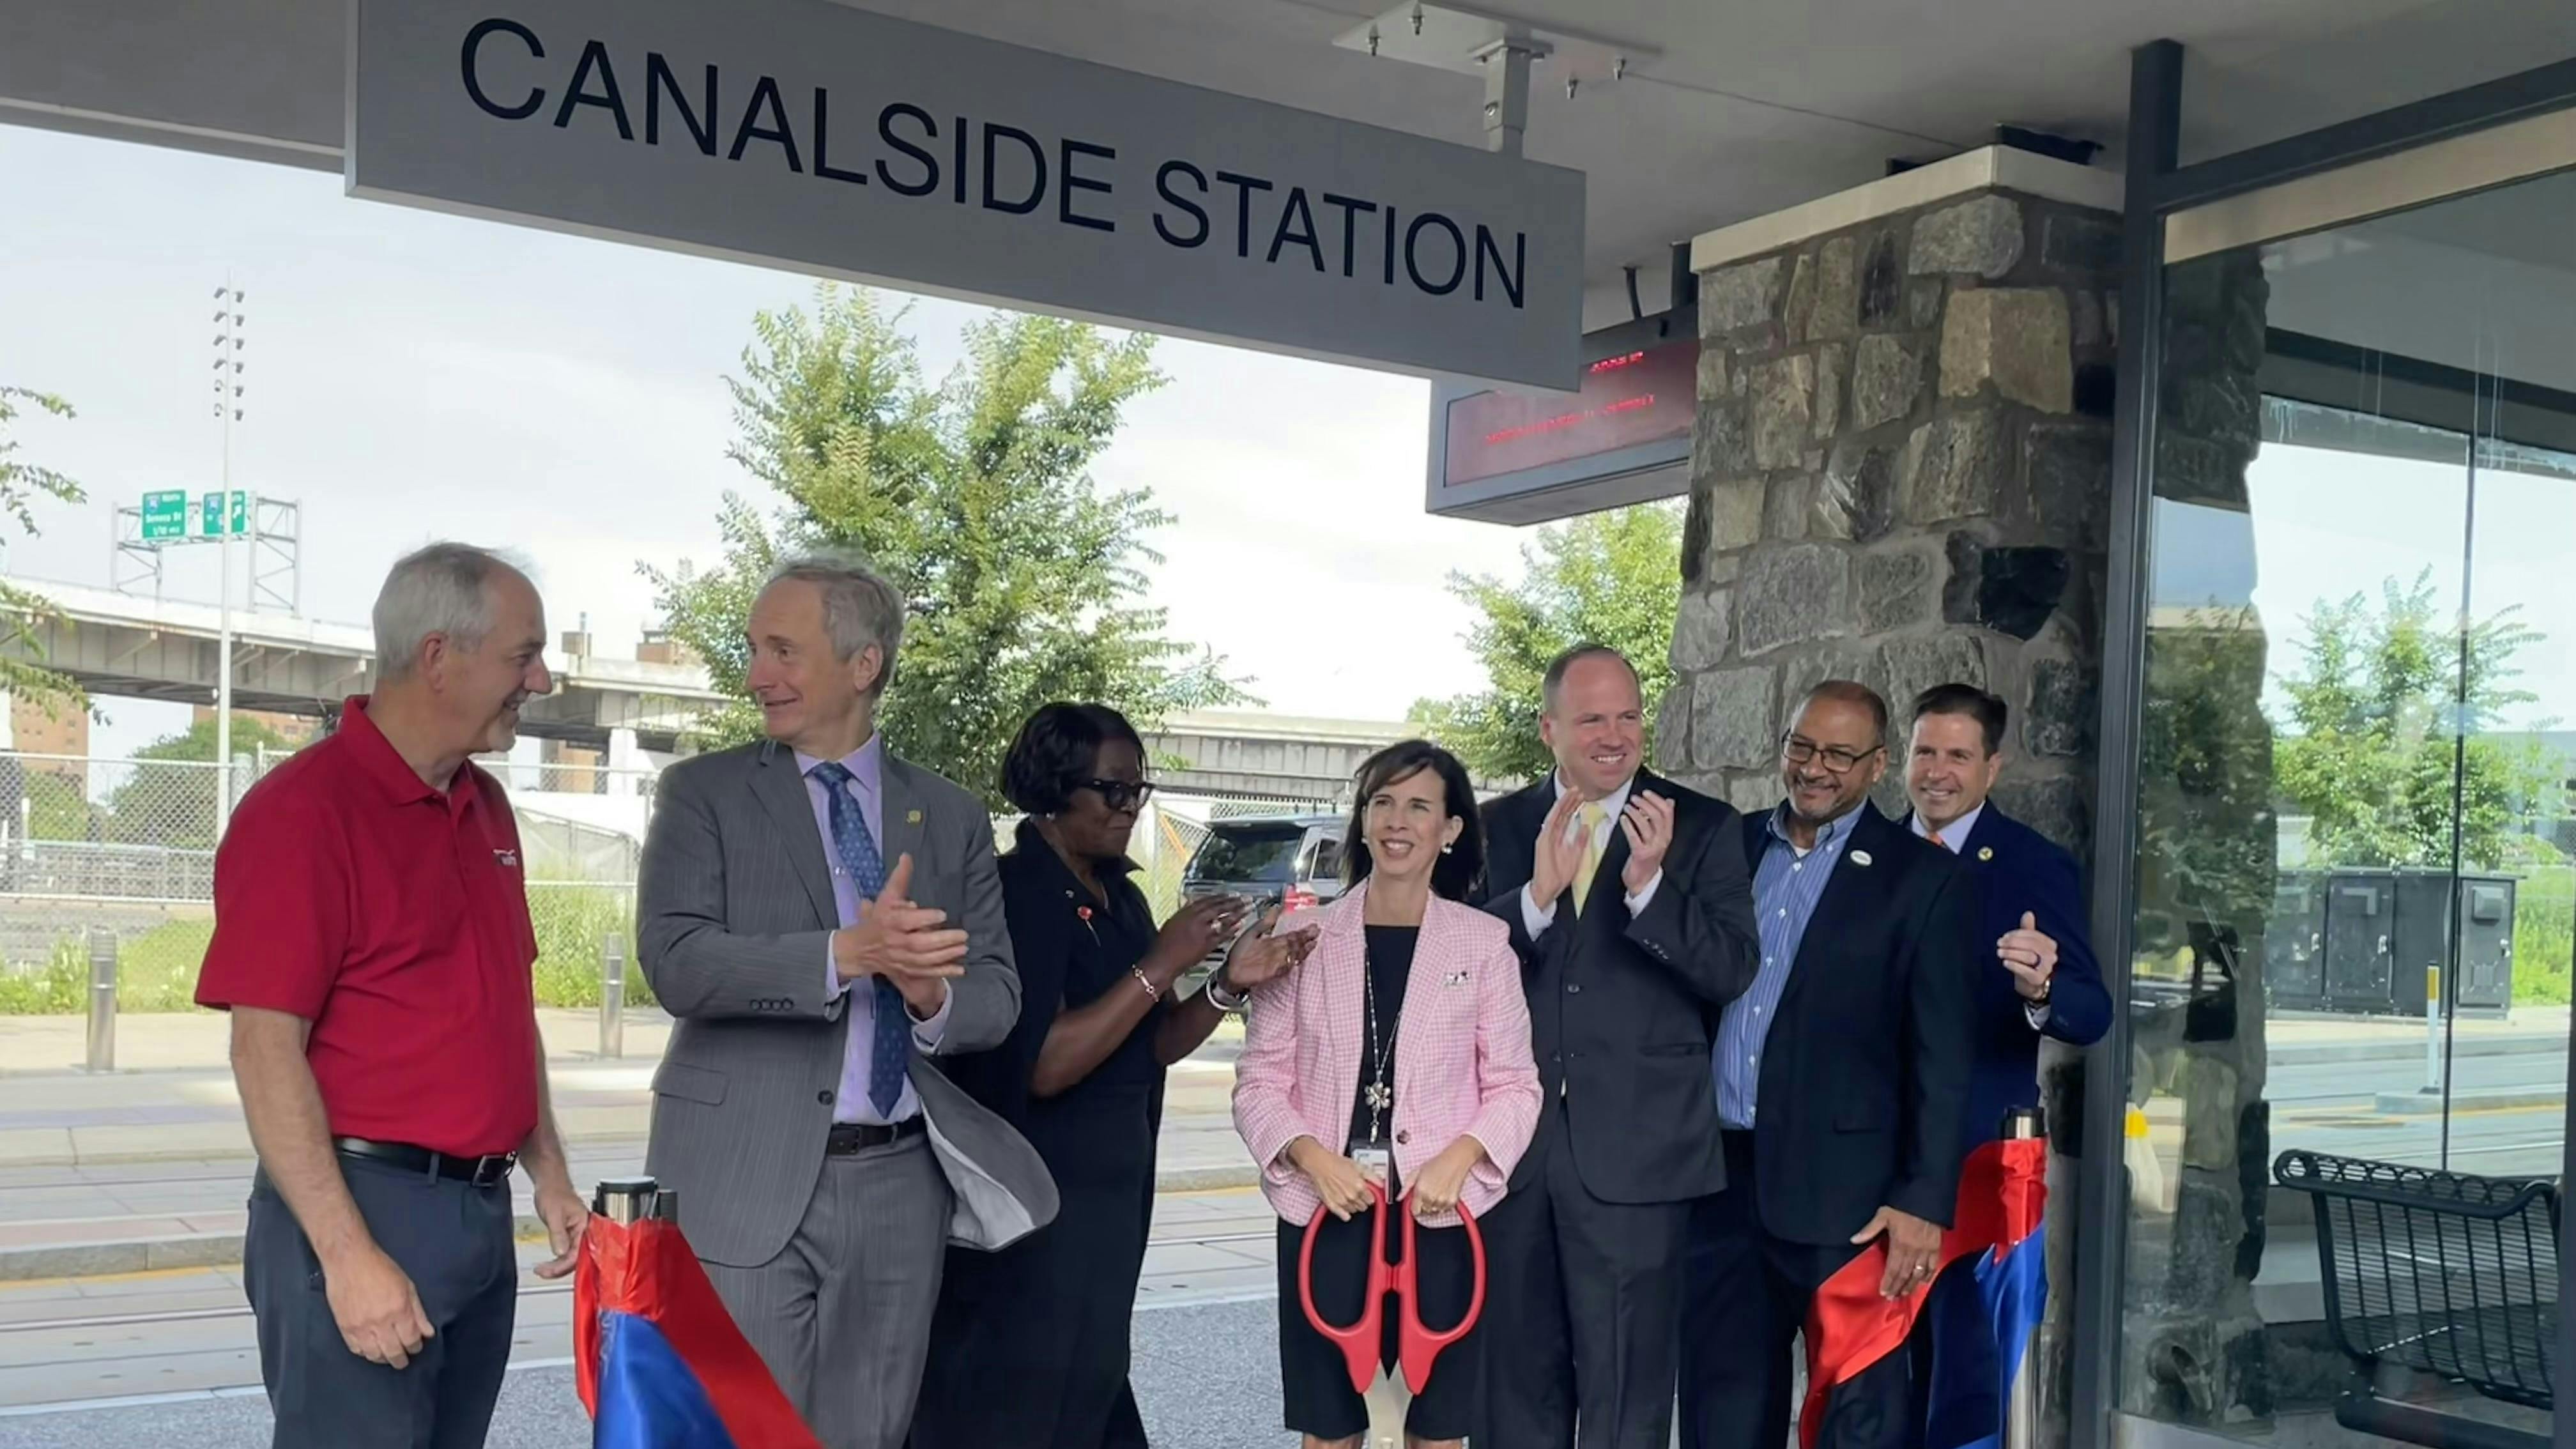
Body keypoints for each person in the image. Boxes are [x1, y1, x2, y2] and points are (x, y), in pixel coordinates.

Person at [636, 551, 1052, 1449]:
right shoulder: (701, 794)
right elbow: (676, 962)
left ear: (864, 666)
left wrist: (928, 989)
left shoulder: (947, 815)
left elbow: (998, 999)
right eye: (754, 649)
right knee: (743, 1434)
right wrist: (843, 955)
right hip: (737, 1173)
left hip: (900, 1184)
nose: (757, 676)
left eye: (782, 651)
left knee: (868, 1435)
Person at [195, 542, 588, 1449]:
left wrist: (550, 1173)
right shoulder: (304, 813)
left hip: (477, 1218)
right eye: (523, 655)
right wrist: (346, 1255)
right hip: (362, 1208)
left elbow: (502, 1013)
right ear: (439, 657)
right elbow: (264, 1052)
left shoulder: (485, 807)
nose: (542, 677)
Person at [911, 702, 1319, 1449]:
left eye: (1140, 789)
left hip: (1109, 1206)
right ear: (1055, 788)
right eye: (1114, 791)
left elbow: (1154, 1042)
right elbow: (1044, 1064)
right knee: (1022, 1408)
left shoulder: (1121, 896)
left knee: (1091, 1386)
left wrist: (1228, 983)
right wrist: (1161, 960)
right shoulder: (1016, 896)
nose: (1132, 808)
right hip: (1034, 1219)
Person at [1677, 680, 1979, 1449]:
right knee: (1722, 1408)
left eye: (1840, 755)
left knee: (1860, 1417)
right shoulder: (1729, 846)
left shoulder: (1924, 880)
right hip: (1718, 1182)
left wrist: (1924, 1200)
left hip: (1851, 1200)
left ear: (1877, 765)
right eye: (1802, 747)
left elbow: (1941, 1057)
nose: (1816, 768)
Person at [1476, 644, 1760, 1449]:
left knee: (1628, 1391)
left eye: (1628, 715)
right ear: (1549, 729)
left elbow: (1732, 968)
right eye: (1593, 717)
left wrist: (1648, 887)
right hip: (1510, 1152)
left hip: (1640, 1157)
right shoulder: (1498, 827)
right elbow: (1453, 965)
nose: (1614, 734)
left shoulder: (1701, 827)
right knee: (1515, 1388)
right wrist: (1534, 898)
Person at [1233, 740, 1542, 1449]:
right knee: (1330, 1427)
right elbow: (1259, 1081)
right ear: (1364, 820)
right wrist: (1312, 1156)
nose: (1397, 821)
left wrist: (1461, 1156)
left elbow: (1516, 1085)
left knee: (1438, 1432)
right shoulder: (1302, 937)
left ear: (1450, 829)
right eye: (1382, 803)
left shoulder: (1483, 943)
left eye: (1418, 806)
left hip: (1446, 1211)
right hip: (1327, 1208)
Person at [1903, 682, 2111, 1147]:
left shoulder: (2034, 866)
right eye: (1925, 753)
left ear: (1991, 769)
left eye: (1958, 756)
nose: (1937, 773)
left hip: (1975, 1148)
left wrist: (2042, 990)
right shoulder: (1868, 855)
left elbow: (2093, 1013)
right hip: (1860, 1150)